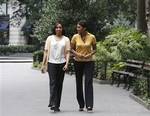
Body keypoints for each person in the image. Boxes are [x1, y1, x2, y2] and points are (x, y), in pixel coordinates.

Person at [41, 21, 70, 112]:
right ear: (54, 29)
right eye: (57, 27)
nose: (58, 29)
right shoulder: (50, 38)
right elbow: (46, 52)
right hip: (51, 63)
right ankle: (53, 103)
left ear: (62, 29)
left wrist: (67, 64)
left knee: (59, 84)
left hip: (62, 63)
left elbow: (68, 52)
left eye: (60, 27)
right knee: (53, 83)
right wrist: (43, 64)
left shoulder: (66, 39)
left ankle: (57, 105)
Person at [71, 20, 96, 112]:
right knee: (79, 82)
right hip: (78, 61)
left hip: (89, 61)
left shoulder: (92, 37)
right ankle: (81, 104)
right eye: (77, 27)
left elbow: (95, 49)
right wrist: (77, 54)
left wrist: (90, 54)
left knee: (88, 82)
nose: (77, 29)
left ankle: (89, 105)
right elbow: (71, 49)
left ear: (84, 28)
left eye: (79, 27)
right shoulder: (75, 37)